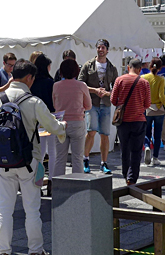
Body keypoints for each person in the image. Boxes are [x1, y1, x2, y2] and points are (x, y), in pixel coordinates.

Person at [0, 59, 66, 255]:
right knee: (32, 209)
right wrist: (63, 128)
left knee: (4, 208)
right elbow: (53, 126)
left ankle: (3, 253)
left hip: (3, 164)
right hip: (32, 163)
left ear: (12, 75)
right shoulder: (34, 102)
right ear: (29, 78)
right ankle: (36, 253)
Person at [78, 39, 119, 174]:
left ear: (107, 50)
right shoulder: (88, 65)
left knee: (105, 134)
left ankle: (104, 162)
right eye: (99, 47)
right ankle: (85, 159)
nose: (100, 50)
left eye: (103, 48)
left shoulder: (112, 68)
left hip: (105, 104)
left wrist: (108, 93)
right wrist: (95, 90)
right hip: (92, 103)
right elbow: (80, 84)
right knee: (91, 131)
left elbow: (117, 88)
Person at [50, 57, 92, 177]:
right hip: (77, 122)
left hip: (60, 123)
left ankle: (57, 188)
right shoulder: (81, 85)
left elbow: (54, 104)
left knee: (60, 158)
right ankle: (78, 189)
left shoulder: (56, 86)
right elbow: (88, 106)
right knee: (77, 158)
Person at [111, 59, 149, 186]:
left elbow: (113, 100)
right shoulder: (144, 82)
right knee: (136, 151)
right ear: (139, 69)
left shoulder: (119, 80)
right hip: (138, 120)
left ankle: (125, 173)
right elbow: (147, 104)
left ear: (128, 67)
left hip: (123, 121)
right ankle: (132, 178)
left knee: (125, 149)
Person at [141, 58, 165, 166]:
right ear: (160, 68)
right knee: (157, 134)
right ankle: (155, 157)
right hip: (158, 109)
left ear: (150, 66)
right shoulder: (161, 79)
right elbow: (161, 96)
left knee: (146, 131)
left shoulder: (143, 78)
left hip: (147, 108)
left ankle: (147, 146)